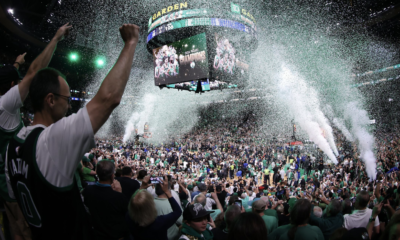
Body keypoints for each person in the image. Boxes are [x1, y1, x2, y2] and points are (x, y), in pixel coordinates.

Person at [5, 23, 140, 239]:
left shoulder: (13, 144)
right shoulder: (52, 140)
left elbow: (19, 214)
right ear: (50, 100)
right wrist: (131, 43)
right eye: (66, 100)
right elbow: (108, 99)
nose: (69, 106)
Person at [0, 24, 70, 240]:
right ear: (13, 85)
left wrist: (15, 64)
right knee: (23, 229)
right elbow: (34, 73)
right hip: (10, 182)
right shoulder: (5, 105)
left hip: (5, 182)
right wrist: (56, 39)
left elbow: (15, 75)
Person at [82, 160, 129, 240]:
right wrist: (119, 193)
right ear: (112, 176)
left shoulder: (87, 191)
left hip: (96, 234)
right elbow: (127, 215)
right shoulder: (119, 197)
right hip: (116, 236)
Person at [126, 175, 182, 240]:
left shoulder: (129, 218)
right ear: (151, 206)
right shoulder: (159, 223)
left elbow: (133, 204)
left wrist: (141, 188)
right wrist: (167, 191)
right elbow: (178, 211)